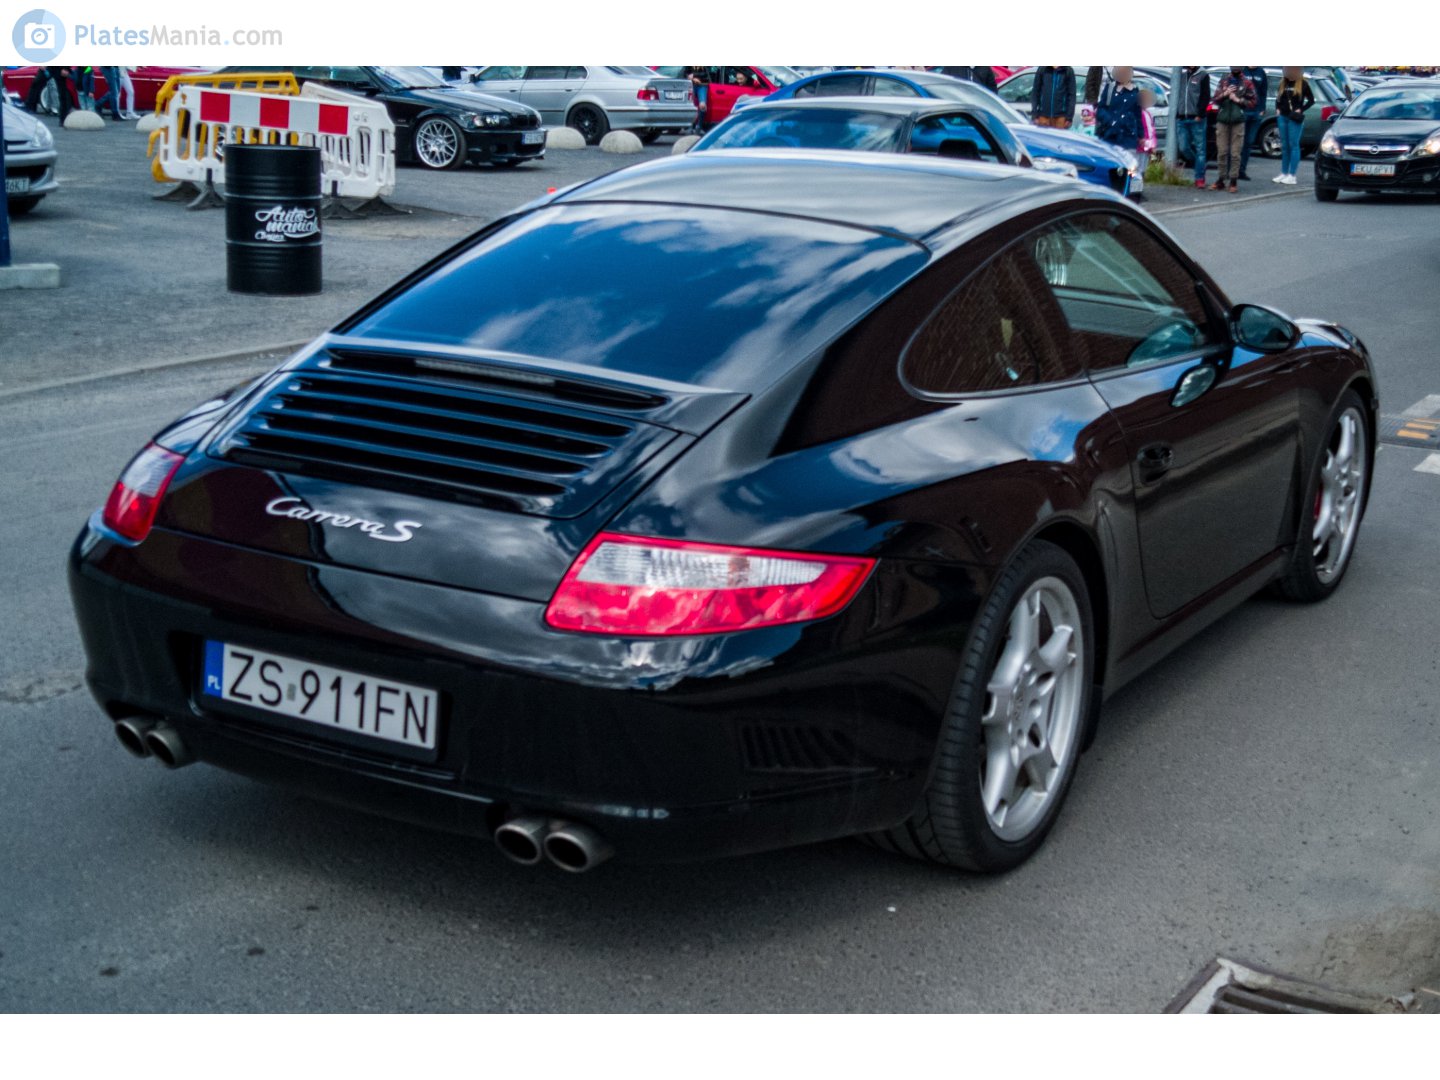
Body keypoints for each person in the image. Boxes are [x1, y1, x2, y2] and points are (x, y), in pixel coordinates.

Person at [1210, 67, 1256, 193]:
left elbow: (1253, 102)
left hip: (1238, 120)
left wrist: (1238, 99)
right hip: (1223, 120)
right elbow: (1215, 99)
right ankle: (1221, 178)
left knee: (1235, 153)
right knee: (1222, 151)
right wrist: (1225, 94)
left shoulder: (1247, 82)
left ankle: (1233, 180)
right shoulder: (1224, 81)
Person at [1272, 67, 1313, 185]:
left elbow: (1311, 100)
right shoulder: (1283, 83)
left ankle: (1292, 175)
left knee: (1293, 145)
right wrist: (1277, 109)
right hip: (1282, 117)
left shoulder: (1303, 84)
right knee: (1284, 146)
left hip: (1294, 118)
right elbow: (1278, 98)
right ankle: (1284, 172)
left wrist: (1301, 109)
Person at [1173, 66, 1211, 188]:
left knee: (1200, 148)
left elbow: (1205, 96)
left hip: (1196, 118)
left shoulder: (1203, 75)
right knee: (1183, 147)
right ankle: (1200, 165)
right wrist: (1177, 113)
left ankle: (1199, 177)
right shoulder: (1182, 76)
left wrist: (1200, 114)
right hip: (1182, 117)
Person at [1095, 67, 1142, 154]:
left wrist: (1141, 136)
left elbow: (1138, 115)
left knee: (1127, 165)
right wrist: (1110, 121)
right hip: (1110, 135)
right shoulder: (1110, 88)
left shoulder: (1135, 91)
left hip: (1128, 137)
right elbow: (1100, 110)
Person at [1239, 66, 1269, 180]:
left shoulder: (1261, 72)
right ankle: (1232, 170)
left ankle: (1242, 170)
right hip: (1243, 110)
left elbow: (1263, 91)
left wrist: (1262, 108)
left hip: (1256, 112)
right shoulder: (1242, 70)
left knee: (1249, 142)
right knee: (1239, 141)